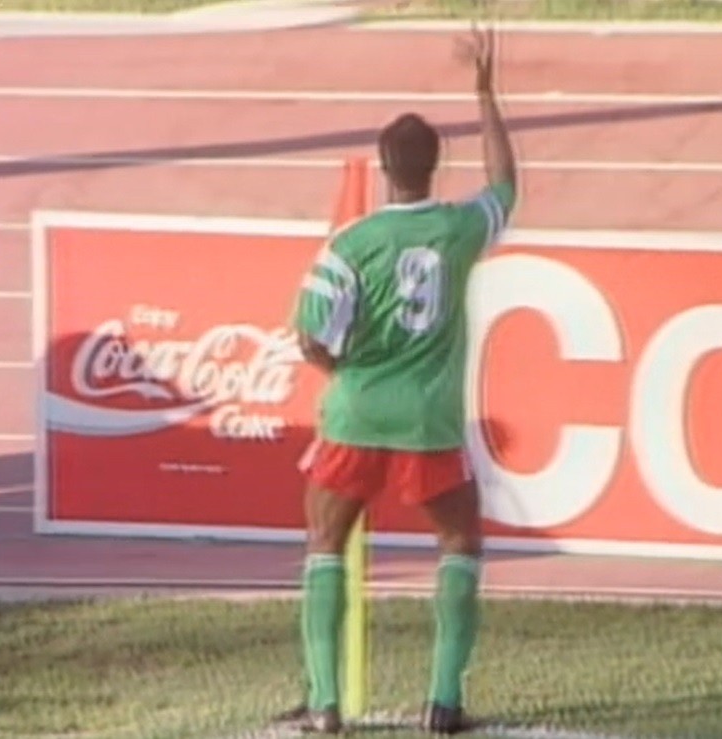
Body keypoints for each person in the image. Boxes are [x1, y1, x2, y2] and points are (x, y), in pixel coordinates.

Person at [278, 24, 517, 735]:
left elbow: (309, 335)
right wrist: (484, 93)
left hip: (355, 414)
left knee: (325, 543)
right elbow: (506, 184)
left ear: (384, 168)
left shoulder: (351, 243)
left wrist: (338, 371)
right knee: (460, 543)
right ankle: (443, 701)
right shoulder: (457, 229)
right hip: (427, 422)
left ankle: (324, 704)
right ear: (435, 167)